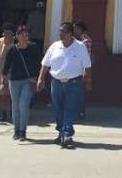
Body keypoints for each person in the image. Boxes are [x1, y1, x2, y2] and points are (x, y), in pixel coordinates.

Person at [37, 21, 91, 149]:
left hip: (73, 82)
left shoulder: (80, 47)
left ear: (70, 33)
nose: (60, 34)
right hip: (56, 82)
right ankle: (62, 132)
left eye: (63, 31)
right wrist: (41, 79)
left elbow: (87, 66)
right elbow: (45, 64)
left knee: (69, 108)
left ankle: (67, 133)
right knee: (58, 108)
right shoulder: (55, 46)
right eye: (59, 31)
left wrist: (87, 79)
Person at [1, 26, 42, 141]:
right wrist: (2, 83)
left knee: (23, 104)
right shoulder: (12, 50)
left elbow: (40, 64)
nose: (25, 37)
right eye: (23, 35)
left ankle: (23, 130)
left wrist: (39, 78)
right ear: (17, 36)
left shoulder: (33, 48)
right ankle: (16, 130)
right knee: (15, 105)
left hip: (28, 81)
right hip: (14, 81)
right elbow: (5, 68)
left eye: (27, 35)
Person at [72, 20, 94, 120]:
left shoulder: (85, 41)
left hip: (81, 69)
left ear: (81, 29)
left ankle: (79, 113)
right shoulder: (75, 40)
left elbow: (86, 57)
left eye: (76, 28)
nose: (74, 30)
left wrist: (87, 76)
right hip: (74, 68)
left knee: (79, 92)